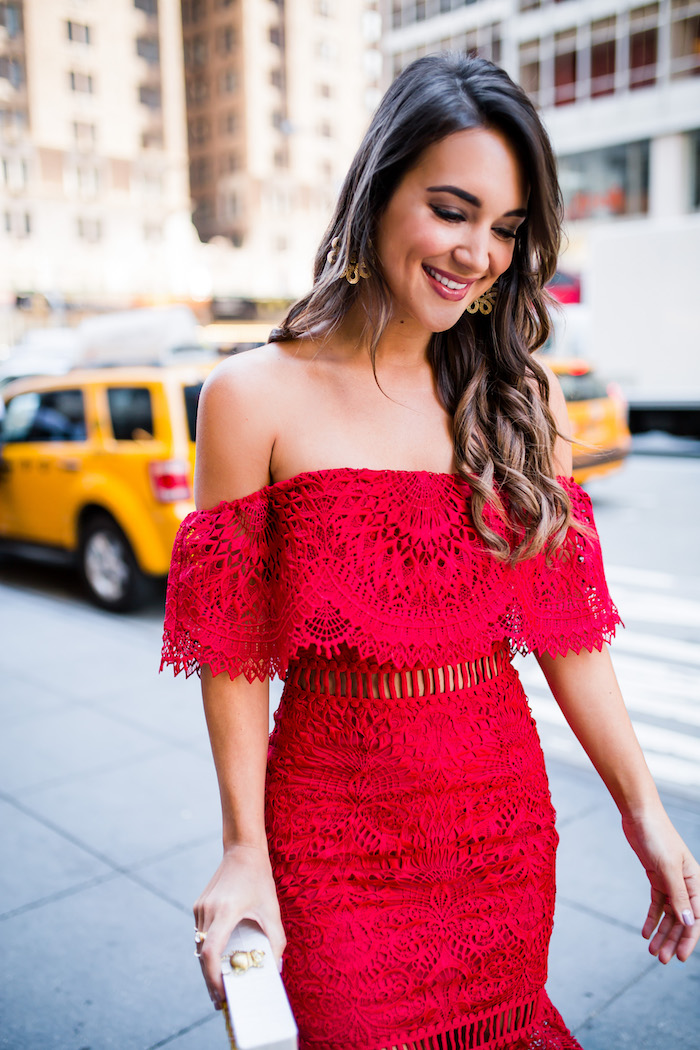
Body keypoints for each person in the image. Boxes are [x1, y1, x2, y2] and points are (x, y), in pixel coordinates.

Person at [161, 53, 699, 1050]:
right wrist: (244, 849)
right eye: (452, 210)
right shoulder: (249, 396)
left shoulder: (519, 396)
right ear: (378, 192)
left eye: (505, 228)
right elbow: (232, 653)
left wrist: (645, 813)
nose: (479, 253)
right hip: (330, 844)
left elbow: (570, 637)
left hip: (499, 836)